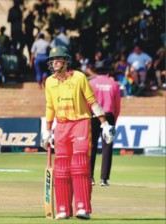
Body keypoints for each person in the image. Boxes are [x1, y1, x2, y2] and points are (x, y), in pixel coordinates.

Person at [41, 46, 115, 220]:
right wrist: (47, 131)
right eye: (52, 60)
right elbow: (50, 106)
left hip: (81, 122)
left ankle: (82, 207)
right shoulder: (49, 82)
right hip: (61, 126)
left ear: (66, 62)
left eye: (58, 59)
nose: (54, 62)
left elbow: (92, 101)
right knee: (61, 168)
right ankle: (63, 208)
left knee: (80, 165)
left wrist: (104, 125)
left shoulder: (79, 78)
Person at [89, 66, 121, 186]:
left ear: (96, 71)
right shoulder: (114, 84)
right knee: (107, 147)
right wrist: (114, 119)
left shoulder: (91, 83)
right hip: (108, 116)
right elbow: (117, 105)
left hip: (93, 116)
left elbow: (88, 101)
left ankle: (90, 177)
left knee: (91, 146)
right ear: (108, 71)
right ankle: (104, 179)